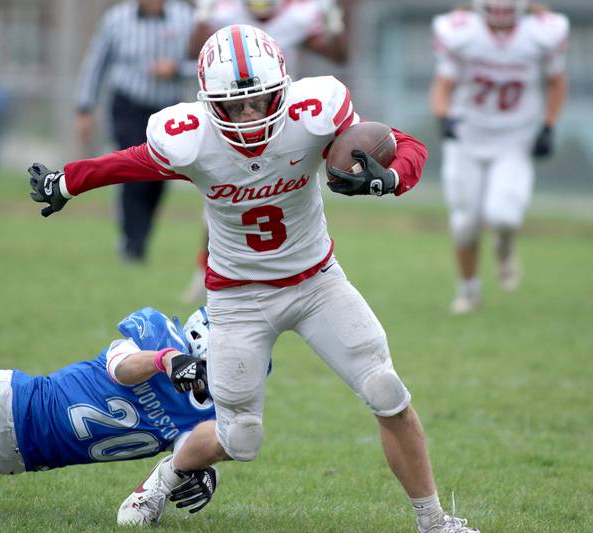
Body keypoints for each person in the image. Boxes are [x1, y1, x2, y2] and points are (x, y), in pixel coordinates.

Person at [29, 24, 479, 532]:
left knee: (386, 390)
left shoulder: (314, 114)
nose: (245, 117)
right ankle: (164, 476)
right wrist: (67, 180)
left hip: (316, 283)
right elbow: (127, 163)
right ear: (207, 104)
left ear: (283, 90)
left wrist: (392, 177)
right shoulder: (192, 140)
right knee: (241, 438)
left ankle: (434, 522)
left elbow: (403, 142)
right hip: (238, 298)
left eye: (257, 102)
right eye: (231, 107)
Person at [0, 306, 218, 525]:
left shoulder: (201, 420)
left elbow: (131, 518)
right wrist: (167, 359)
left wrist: (196, 469)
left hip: (1, 459)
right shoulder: (158, 334)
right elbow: (121, 368)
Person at [180, 0, 349, 304]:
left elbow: (338, 55)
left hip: (283, 128)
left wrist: (334, 26)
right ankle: (204, 273)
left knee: (300, 203)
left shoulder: (298, 14)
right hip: (233, 125)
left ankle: (306, 277)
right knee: (220, 206)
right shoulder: (224, 12)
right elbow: (192, 52)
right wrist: (201, 20)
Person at [430, 0, 569, 314]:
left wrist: (548, 125)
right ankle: (468, 291)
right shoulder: (460, 31)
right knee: (465, 222)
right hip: (468, 135)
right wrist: (443, 117)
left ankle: (504, 246)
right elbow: (442, 85)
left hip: (514, 137)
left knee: (503, 216)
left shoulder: (542, 32)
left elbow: (557, 82)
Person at [75, 0, 194, 263]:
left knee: (160, 176)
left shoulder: (185, 18)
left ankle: (139, 237)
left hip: (167, 110)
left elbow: (200, 62)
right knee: (133, 171)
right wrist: (85, 107)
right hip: (128, 105)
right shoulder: (116, 19)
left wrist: (176, 70)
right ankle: (132, 243)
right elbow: (96, 63)